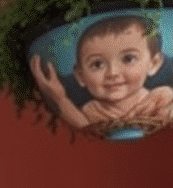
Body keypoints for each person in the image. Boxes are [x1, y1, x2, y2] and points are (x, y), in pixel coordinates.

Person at [29, 13, 173, 130]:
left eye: (128, 59)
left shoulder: (160, 97)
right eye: (97, 64)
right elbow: (85, 127)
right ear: (80, 76)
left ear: (154, 64)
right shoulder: (92, 111)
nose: (112, 73)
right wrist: (60, 99)